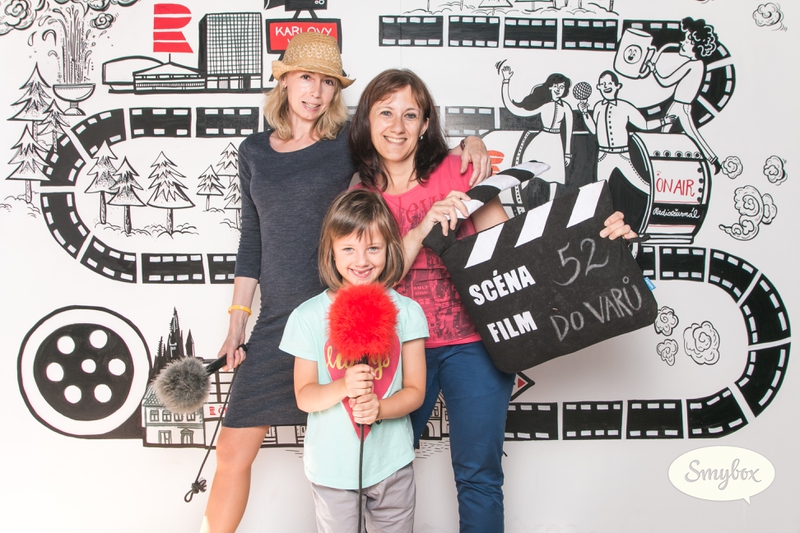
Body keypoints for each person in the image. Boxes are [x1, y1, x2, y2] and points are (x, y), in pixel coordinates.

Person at [201, 33, 490, 533]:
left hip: (344, 315)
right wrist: (237, 323)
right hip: (279, 319)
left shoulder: (346, 148)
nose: (315, 92)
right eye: (305, 78)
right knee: (231, 452)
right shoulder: (254, 151)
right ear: (283, 81)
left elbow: (404, 143)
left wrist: (469, 144)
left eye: (328, 83)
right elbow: (252, 241)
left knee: (366, 452)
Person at [350, 68, 636, 533]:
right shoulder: (360, 195)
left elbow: (514, 251)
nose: (397, 126)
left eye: (410, 114)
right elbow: (371, 282)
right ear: (367, 120)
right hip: (399, 350)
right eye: (385, 113)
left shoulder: (459, 171)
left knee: (479, 475)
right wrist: (422, 228)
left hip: (474, 343)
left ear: (426, 124)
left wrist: (599, 239)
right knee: (381, 473)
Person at [280, 188, 428, 533]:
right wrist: (343, 386)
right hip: (332, 469)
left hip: (391, 464)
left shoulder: (407, 312)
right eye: (348, 249)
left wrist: (381, 408)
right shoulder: (307, 317)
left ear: (389, 248)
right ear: (331, 252)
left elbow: (416, 391)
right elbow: (305, 396)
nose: (361, 261)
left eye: (373, 248)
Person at [579, 70, 675, 232]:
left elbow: (644, 125)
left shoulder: (625, 107)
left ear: (617, 86)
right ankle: (602, 228)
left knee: (642, 185)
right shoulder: (598, 107)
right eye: (603, 84)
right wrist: (584, 113)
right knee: (601, 192)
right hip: (604, 156)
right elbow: (594, 130)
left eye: (609, 83)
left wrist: (663, 121)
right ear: (599, 87)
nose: (606, 86)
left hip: (622, 155)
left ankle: (656, 213)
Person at [648, 17, 721, 174]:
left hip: (681, 106)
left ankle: (662, 165)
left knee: (681, 134)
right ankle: (711, 160)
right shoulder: (699, 65)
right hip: (679, 105)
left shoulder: (692, 65)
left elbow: (666, 81)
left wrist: (653, 69)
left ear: (696, 46)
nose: (682, 42)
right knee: (671, 133)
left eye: (687, 40)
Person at [500, 67, 574, 189]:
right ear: (550, 87)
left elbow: (569, 131)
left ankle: (552, 201)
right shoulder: (544, 105)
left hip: (556, 144)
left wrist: (567, 154)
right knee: (529, 174)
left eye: (561, 87)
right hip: (541, 141)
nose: (558, 90)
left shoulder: (566, 107)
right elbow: (514, 109)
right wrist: (506, 81)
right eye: (556, 86)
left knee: (555, 178)